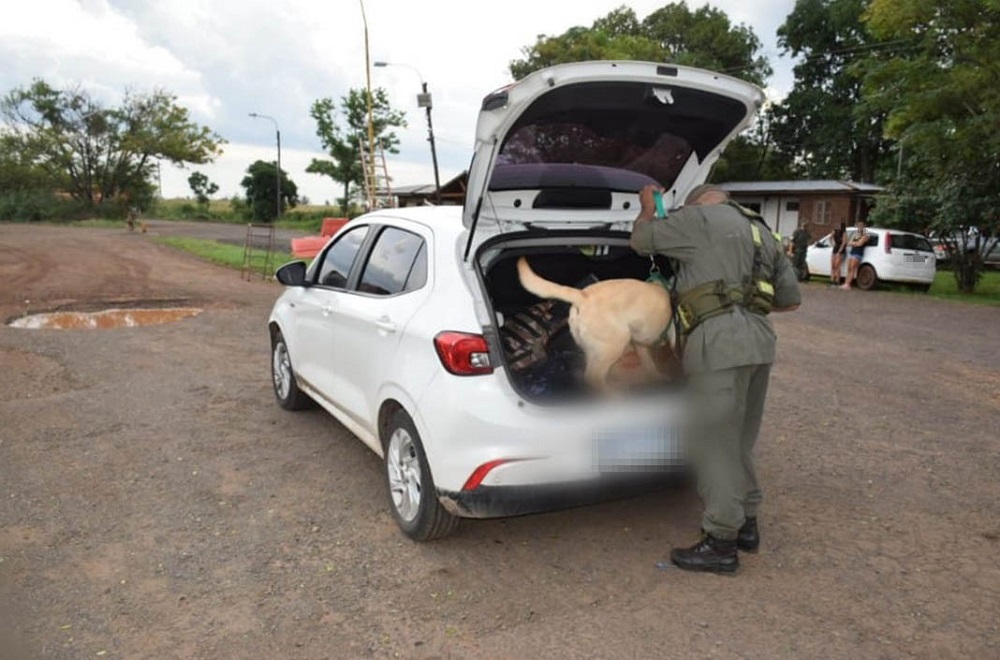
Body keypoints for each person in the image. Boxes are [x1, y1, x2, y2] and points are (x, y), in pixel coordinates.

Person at [630, 183, 801, 574]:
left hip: (718, 343)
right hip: (759, 342)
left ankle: (721, 541)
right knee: (739, 440)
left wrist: (647, 205)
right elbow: (790, 300)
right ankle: (747, 526)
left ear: (696, 202)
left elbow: (641, 240)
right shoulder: (762, 231)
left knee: (712, 444)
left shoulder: (698, 219)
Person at [841, 221, 869, 290]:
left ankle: (848, 284)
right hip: (852, 252)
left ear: (864, 227)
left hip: (858, 253)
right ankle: (845, 283)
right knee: (849, 268)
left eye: (861, 226)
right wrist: (854, 243)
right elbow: (849, 243)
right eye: (858, 226)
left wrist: (854, 243)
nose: (859, 227)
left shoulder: (866, 235)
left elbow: (860, 244)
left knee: (852, 268)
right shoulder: (856, 235)